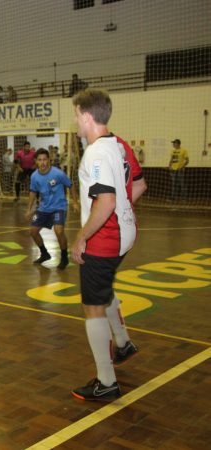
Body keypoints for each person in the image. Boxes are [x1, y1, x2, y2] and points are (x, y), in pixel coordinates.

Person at [70, 89, 147, 401]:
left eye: (76, 115)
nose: (75, 121)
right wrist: (121, 211)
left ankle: (106, 381)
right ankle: (123, 342)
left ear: (87, 116)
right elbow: (139, 184)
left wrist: (81, 237)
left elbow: (106, 201)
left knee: (93, 306)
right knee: (104, 288)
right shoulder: (120, 144)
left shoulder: (96, 152)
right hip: (126, 235)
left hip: (105, 240)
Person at [25, 148, 79, 270]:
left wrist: (75, 202)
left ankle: (64, 257)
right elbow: (33, 192)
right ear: (36, 161)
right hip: (43, 209)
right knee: (33, 231)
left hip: (59, 207)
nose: (43, 162)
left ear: (49, 160)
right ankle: (44, 254)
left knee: (59, 231)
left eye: (45, 159)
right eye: (40, 160)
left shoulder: (58, 174)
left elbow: (71, 185)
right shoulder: (34, 176)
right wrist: (29, 209)